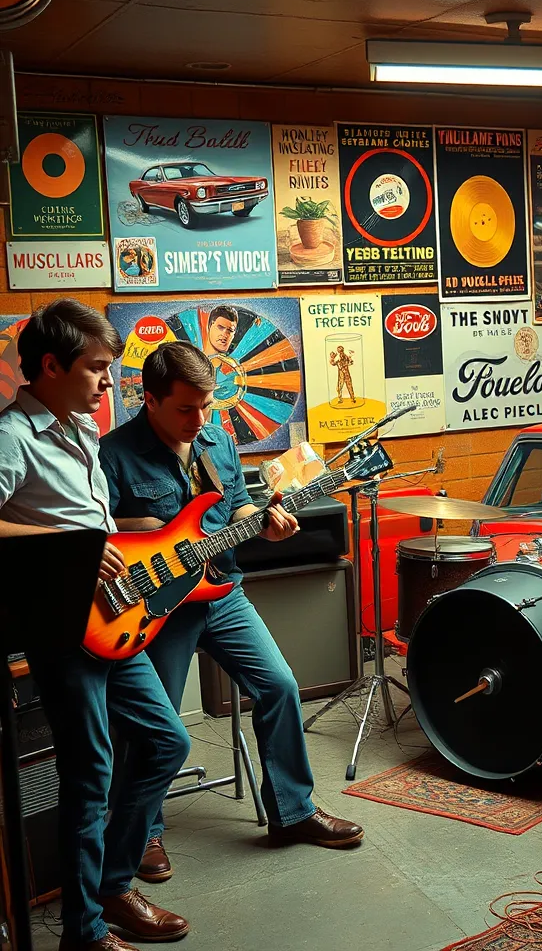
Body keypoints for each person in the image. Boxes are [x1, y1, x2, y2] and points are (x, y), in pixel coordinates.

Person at [100, 343, 364, 885]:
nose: (199, 421)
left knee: (280, 686)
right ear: (148, 399)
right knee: (157, 725)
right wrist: (140, 531)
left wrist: (266, 522)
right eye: (185, 409)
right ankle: (143, 833)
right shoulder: (111, 455)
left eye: (206, 406)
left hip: (221, 592)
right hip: (154, 608)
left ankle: (293, 813)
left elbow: (236, 508)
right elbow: (95, 535)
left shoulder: (217, 440)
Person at [0, 299, 191, 951]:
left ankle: (113, 883)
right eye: (97, 369)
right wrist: (71, 542)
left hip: (115, 622)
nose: (110, 383)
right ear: (51, 365)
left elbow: (97, 525)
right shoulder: (13, 437)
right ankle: (82, 933)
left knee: (169, 743)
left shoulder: (78, 423)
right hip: (61, 632)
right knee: (90, 775)